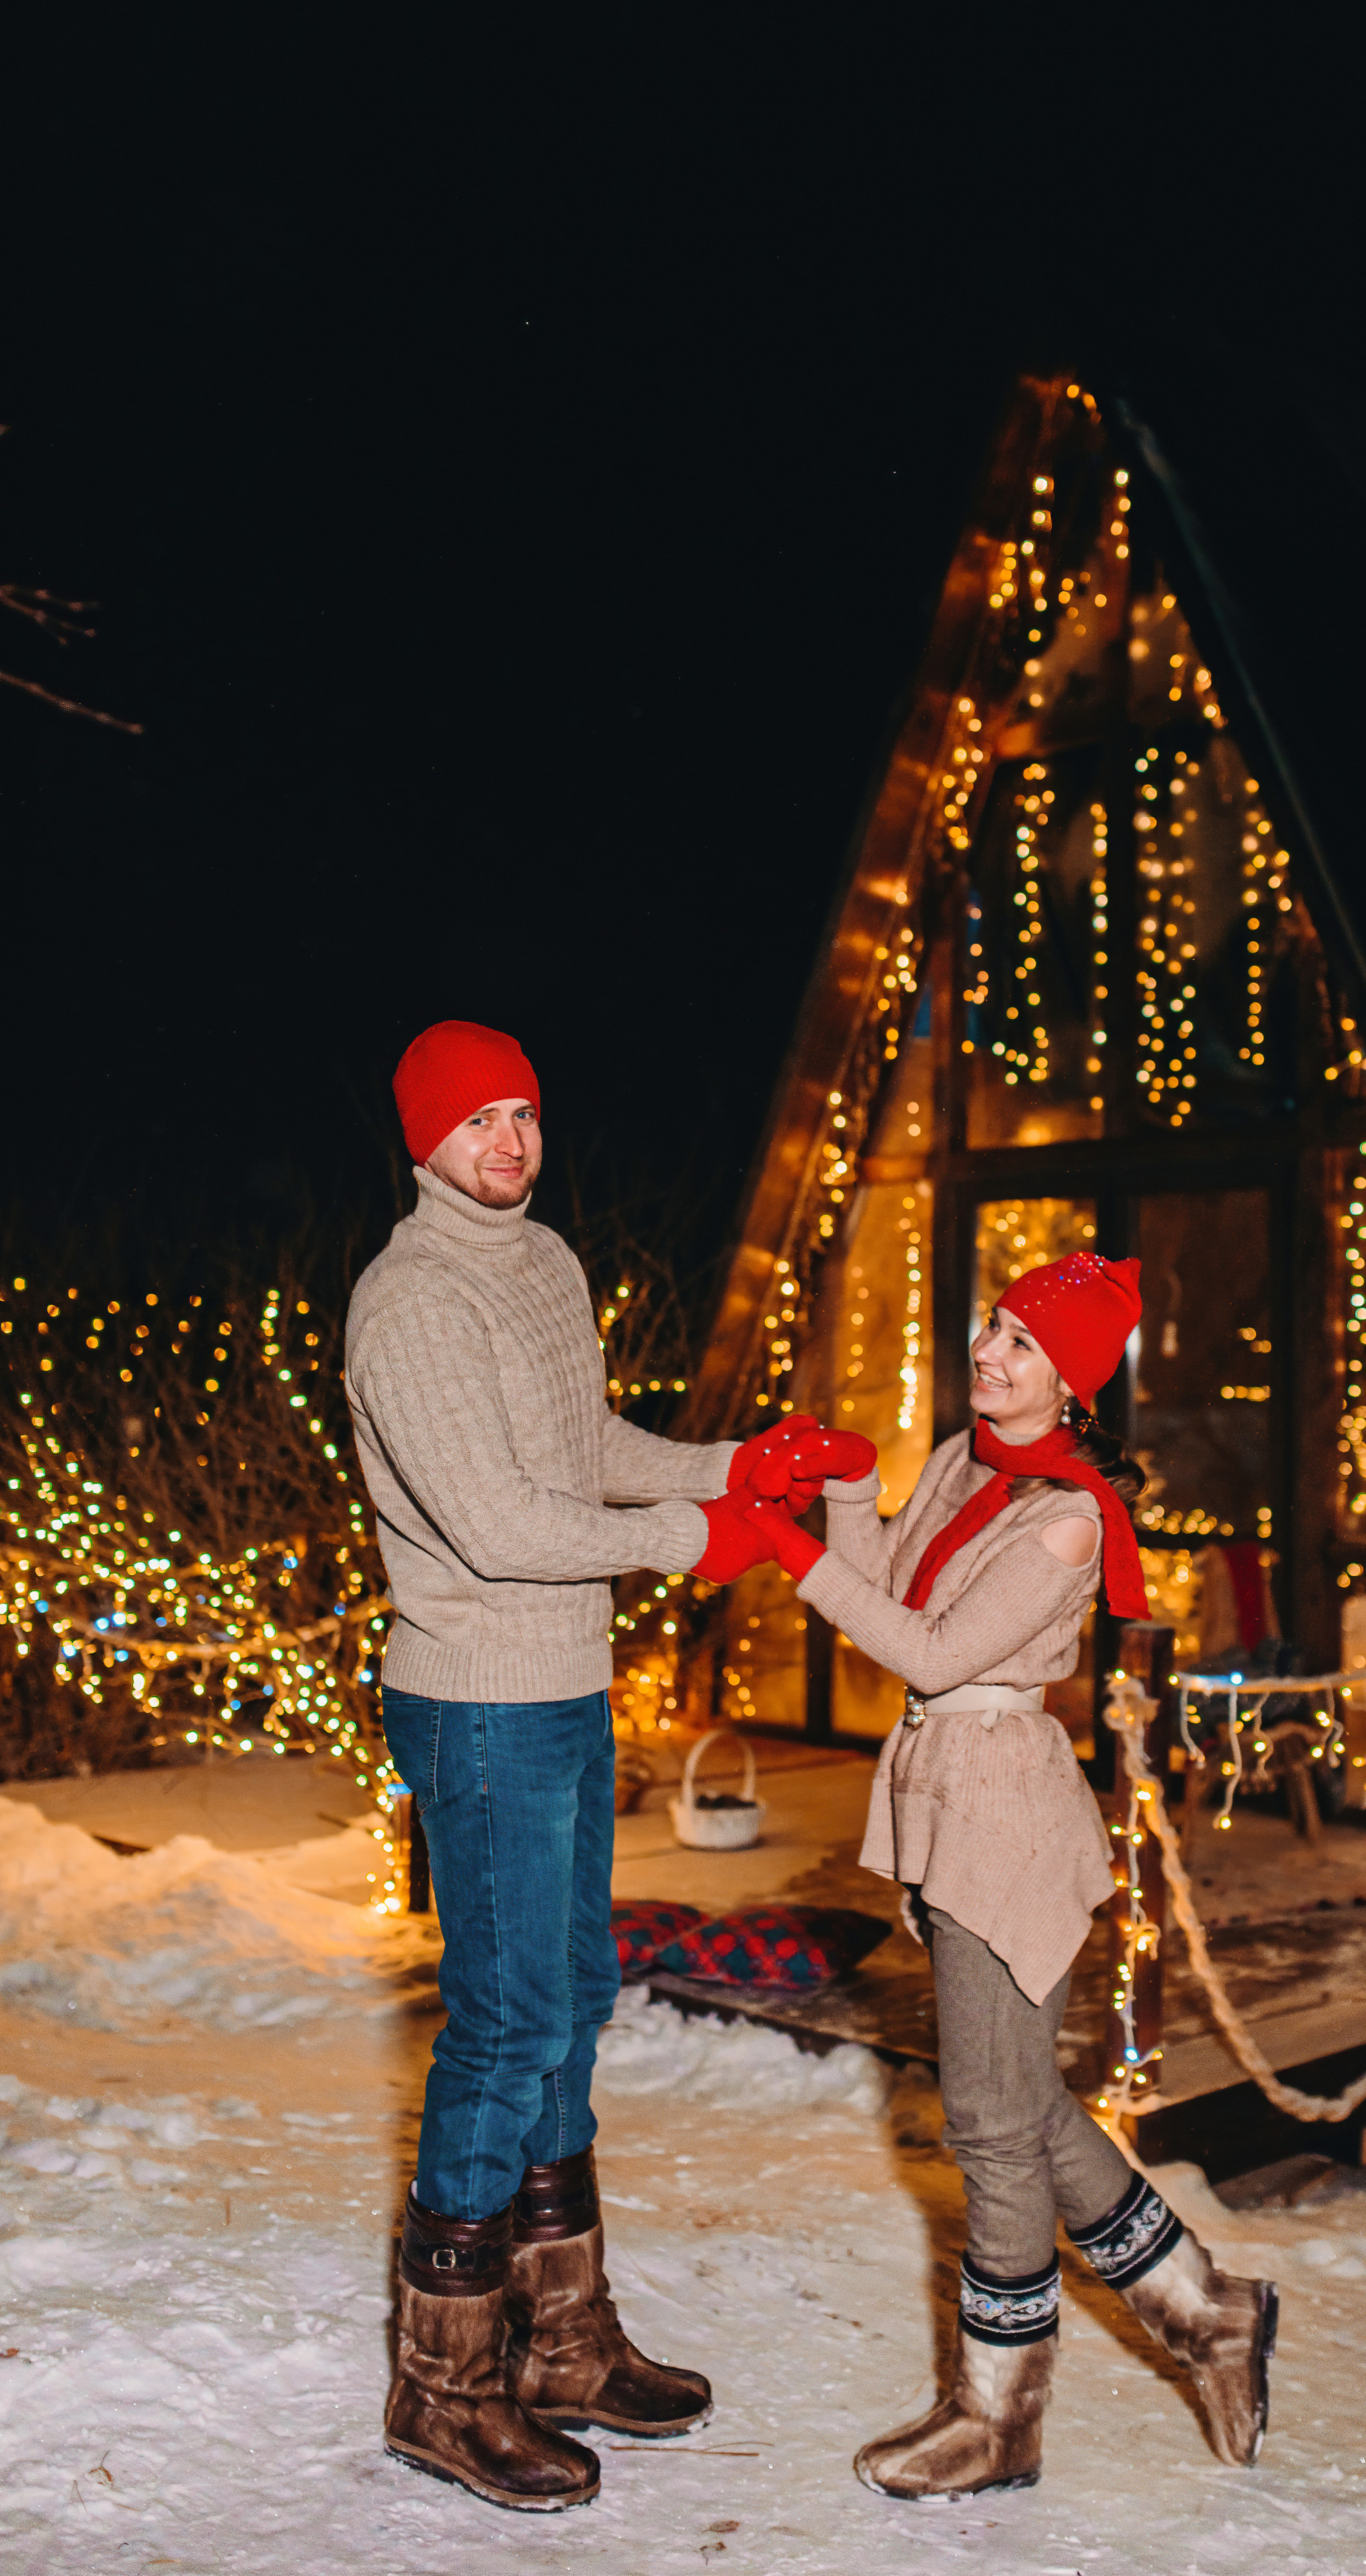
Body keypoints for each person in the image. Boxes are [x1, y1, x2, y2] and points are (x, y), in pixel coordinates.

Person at [346, 1018, 832, 2513]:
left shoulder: (545, 1265)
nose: (507, 1142)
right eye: (477, 1121)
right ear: (424, 1139)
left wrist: (727, 1468)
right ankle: (444, 2383)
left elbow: (578, 1446)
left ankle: (561, 2341)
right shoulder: (410, 1302)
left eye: (524, 1115)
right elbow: (499, 1524)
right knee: (500, 2029)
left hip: (560, 1691)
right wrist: (704, 1543)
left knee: (565, 2011)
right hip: (473, 1705)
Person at [734, 1251, 1278, 2498]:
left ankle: (1000, 2418)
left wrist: (782, 1548)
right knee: (1017, 2102)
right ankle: (1209, 2310)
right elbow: (880, 1589)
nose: (989, 1351)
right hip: (942, 1792)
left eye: (1024, 1343)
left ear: (1074, 1382)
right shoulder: (961, 1459)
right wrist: (855, 1488)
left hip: (1005, 1808)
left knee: (991, 2121)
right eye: (992, 1325)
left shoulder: (1069, 1516)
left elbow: (923, 1644)